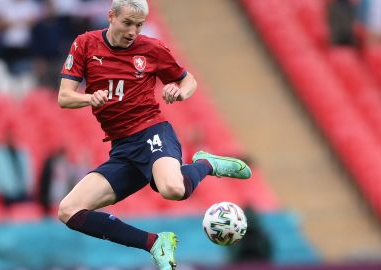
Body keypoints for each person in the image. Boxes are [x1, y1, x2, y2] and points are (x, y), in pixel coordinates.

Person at [56, 1, 252, 269]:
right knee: (68, 210)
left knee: (171, 189)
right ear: (111, 16)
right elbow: (64, 97)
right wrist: (90, 97)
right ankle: (154, 243)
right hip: (122, 148)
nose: (133, 31)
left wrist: (181, 92)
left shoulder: (152, 48)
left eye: (139, 25)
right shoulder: (85, 44)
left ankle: (206, 164)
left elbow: (187, 79)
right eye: (127, 23)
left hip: (151, 131)